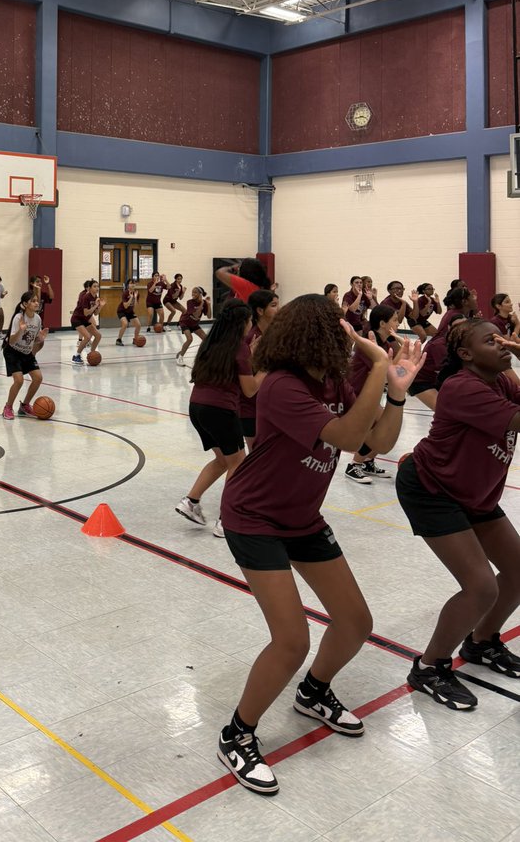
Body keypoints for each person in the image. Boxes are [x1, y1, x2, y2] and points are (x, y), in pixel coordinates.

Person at [216, 296, 422, 796]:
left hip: (302, 518)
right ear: (314, 334)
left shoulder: (335, 382)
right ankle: (236, 734)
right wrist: (377, 361)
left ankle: (313, 693)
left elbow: (375, 444)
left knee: (356, 623)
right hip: (254, 516)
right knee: (292, 640)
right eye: (340, 328)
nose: (349, 334)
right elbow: (348, 433)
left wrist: (394, 395)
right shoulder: (282, 387)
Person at [396, 319, 520, 711]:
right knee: (481, 586)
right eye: (492, 341)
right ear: (466, 355)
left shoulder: (499, 382)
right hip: (432, 490)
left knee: (519, 570)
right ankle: (429, 666)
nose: (502, 345)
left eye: (503, 339)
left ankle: (482, 641)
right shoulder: (462, 387)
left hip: (473, 492)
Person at [175, 300, 259, 537]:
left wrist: (249, 355)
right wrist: (265, 370)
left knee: (223, 460)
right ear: (242, 323)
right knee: (237, 463)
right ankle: (227, 519)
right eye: (250, 321)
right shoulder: (239, 348)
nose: (251, 325)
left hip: (197, 407)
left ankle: (191, 502)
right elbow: (250, 389)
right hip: (220, 410)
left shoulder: (211, 343)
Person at [343, 303, 403, 484]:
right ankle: (354, 465)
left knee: (387, 426)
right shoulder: (368, 344)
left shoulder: (384, 343)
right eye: (395, 319)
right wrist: (403, 345)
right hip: (354, 394)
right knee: (382, 426)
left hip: (367, 394)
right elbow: (388, 371)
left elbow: (397, 371)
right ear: (383, 323)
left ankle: (367, 462)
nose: (398, 322)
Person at [408, 285, 476, 412]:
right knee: (447, 411)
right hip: (422, 381)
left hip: (437, 377)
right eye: (471, 296)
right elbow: (448, 372)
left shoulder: (461, 317)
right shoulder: (442, 343)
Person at [239, 290, 279, 449]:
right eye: (274, 305)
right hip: (251, 408)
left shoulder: (276, 334)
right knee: (257, 455)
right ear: (260, 311)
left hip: (272, 404)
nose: (278, 309)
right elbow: (247, 379)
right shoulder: (251, 337)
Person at [2, 291, 47, 419]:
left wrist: (41, 339)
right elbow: (11, 340)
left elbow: (35, 340)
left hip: (26, 352)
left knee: (38, 378)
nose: (37, 303)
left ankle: (24, 406)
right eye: (33, 301)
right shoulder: (19, 317)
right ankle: (8, 407)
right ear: (25, 304)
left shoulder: (37, 319)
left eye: (37, 300)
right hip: (12, 351)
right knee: (19, 380)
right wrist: (21, 330)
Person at [71, 280, 103, 364]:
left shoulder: (95, 297)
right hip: (77, 319)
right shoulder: (86, 297)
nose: (97, 288)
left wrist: (100, 307)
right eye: (94, 286)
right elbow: (86, 312)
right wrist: (96, 305)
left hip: (85, 320)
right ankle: (76, 355)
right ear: (90, 288)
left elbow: (95, 313)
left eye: (97, 286)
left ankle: (91, 353)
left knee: (98, 335)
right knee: (88, 337)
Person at [177, 287, 210, 366]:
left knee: (206, 339)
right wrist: (202, 303)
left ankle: (201, 355)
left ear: (200, 294)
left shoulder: (205, 303)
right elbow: (196, 314)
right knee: (189, 339)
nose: (193, 294)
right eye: (192, 292)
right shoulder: (190, 302)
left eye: (195, 292)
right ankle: (180, 358)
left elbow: (209, 316)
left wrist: (208, 305)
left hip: (194, 324)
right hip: (185, 322)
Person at [116, 278, 141, 345]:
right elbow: (125, 306)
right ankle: (119, 340)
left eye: (134, 283)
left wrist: (135, 297)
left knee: (138, 325)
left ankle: (135, 339)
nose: (133, 284)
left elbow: (135, 306)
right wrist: (130, 298)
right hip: (122, 311)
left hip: (130, 311)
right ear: (128, 285)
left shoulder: (137, 293)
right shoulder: (125, 293)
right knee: (125, 324)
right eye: (131, 283)